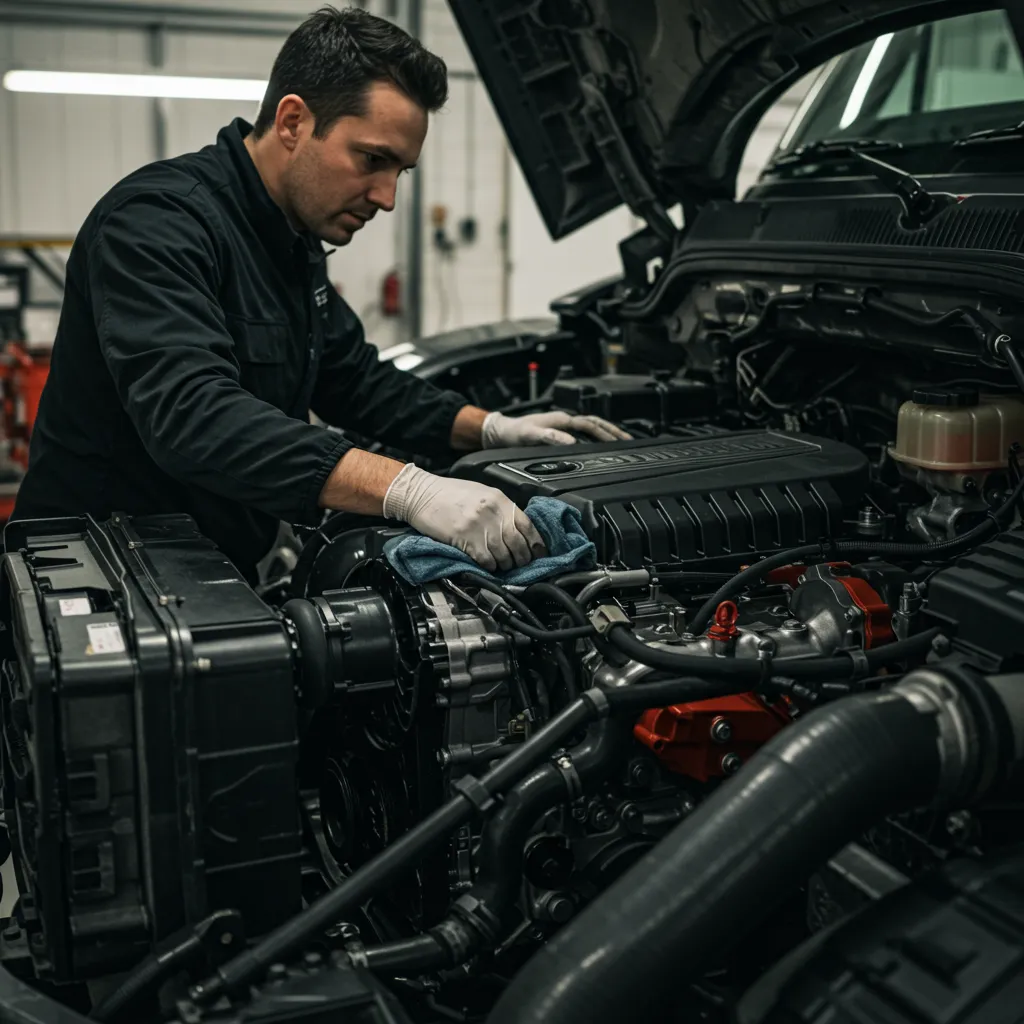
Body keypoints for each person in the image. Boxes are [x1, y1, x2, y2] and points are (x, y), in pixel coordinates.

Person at [12, 6, 627, 582]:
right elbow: (193, 415)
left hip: (210, 564)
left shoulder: (291, 238)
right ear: (293, 122)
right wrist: (407, 489)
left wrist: (491, 429)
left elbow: (354, 379)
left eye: (400, 172)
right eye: (372, 160)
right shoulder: (158, 221)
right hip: (100, 575)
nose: (387, 197)